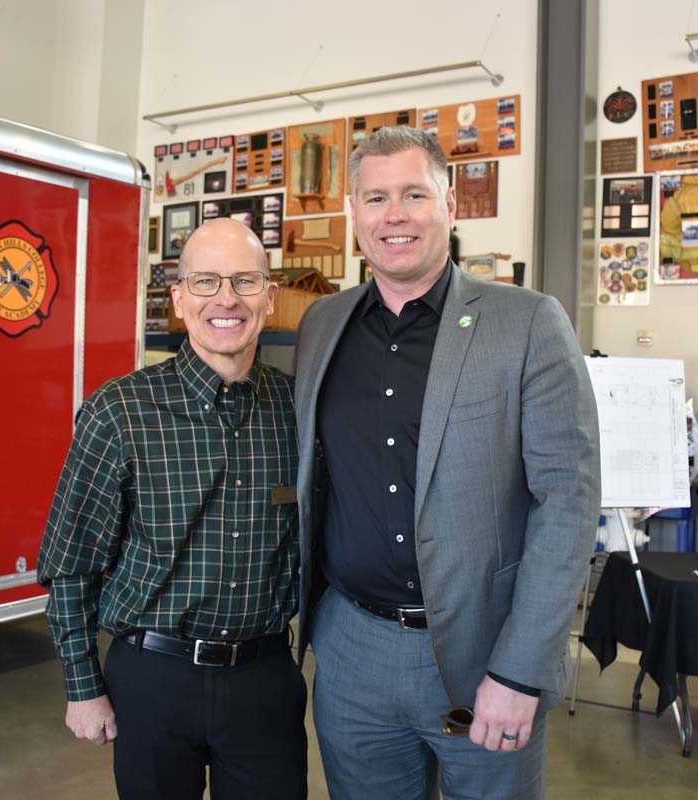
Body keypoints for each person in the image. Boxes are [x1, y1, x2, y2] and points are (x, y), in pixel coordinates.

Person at [293, 127, 600, 800]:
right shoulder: (322, 323)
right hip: (351, 648)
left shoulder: (526, 323)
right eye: (375, 198)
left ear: (450, 204)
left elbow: (569, 504)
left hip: (479, 657)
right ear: (353, 212)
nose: (393, 215)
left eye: (413, 194)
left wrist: (521, 671)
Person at [38, 218, 307, 800]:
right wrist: (83, 687)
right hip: (153, 677)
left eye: (244, 281)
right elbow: (71, 562)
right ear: (180, 301)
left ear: (270, 296)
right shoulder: (120, 412)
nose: (227, 299)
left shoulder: (298, 411)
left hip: (264, 677)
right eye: (206, 282)